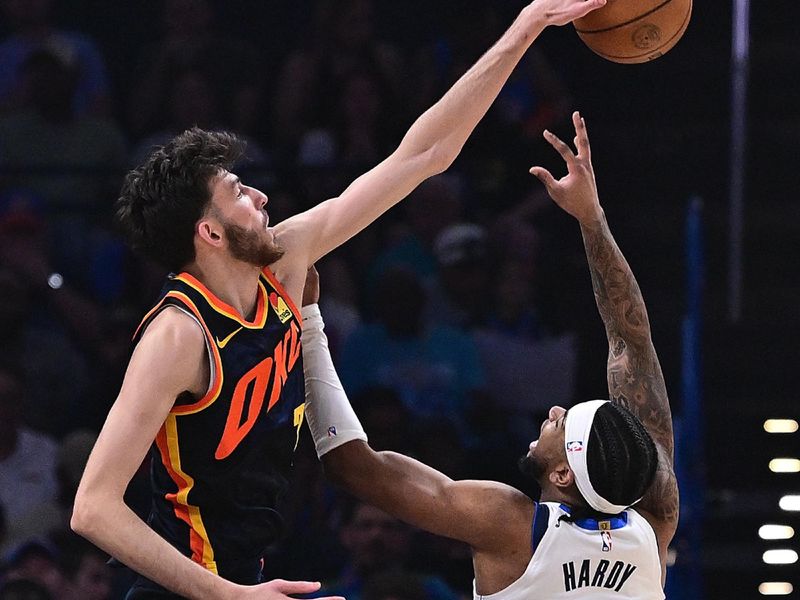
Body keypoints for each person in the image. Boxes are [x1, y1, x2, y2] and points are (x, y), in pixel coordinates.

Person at [70, 2, 607, 599]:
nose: (262, 195)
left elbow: (424, 155)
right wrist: (228, 596)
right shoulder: (178, 335)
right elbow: (92, 507)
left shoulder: (285, 261)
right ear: (211, 234)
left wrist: (526, 25)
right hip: (187, 589)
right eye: (239, 192)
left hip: (243, 576)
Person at [301, 112, 678, 599]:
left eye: (562, 424)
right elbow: (632, 345)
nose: (555, 409)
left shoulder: (513, 526)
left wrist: (308, 324)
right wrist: (591, 219)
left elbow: (353, 466)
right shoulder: (652, 527)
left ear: (563, 474)